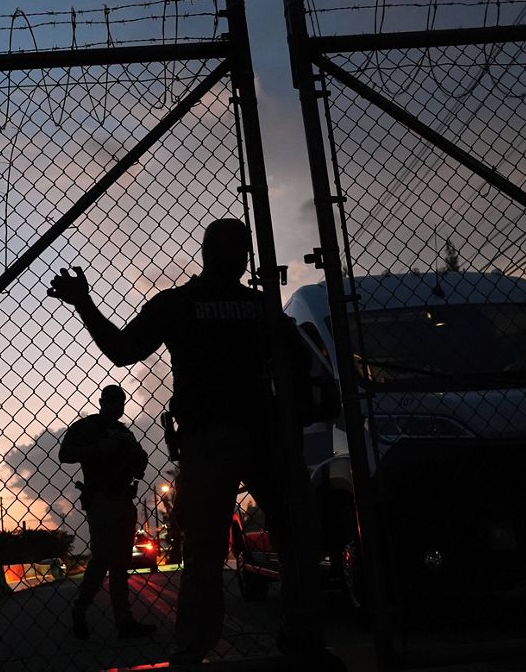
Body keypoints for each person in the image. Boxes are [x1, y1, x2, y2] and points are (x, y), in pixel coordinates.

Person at [47, 218, 323, 664]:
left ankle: (196, 649)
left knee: (208, 549)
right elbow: (301, 363)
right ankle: (300, 637)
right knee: (290, 536)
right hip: (258, 434)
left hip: (218, 437)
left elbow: (121, 349)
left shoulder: (184, 303)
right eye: (236, 249)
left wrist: (85, 304)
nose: (238, 257)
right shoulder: (258, 307)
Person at [59, 385, 158, 640]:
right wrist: (99, 448)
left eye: (120, 402)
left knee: (120, 564)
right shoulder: (88, 427)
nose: (117, 406)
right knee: (102, 558)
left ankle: (124, 623)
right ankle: (80, 610)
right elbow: (65, 454)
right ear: (102, 402)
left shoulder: (125, 432)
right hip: (101, 498)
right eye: (112, 401)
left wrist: (130, 450)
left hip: (124, 498)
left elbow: (140, 465)